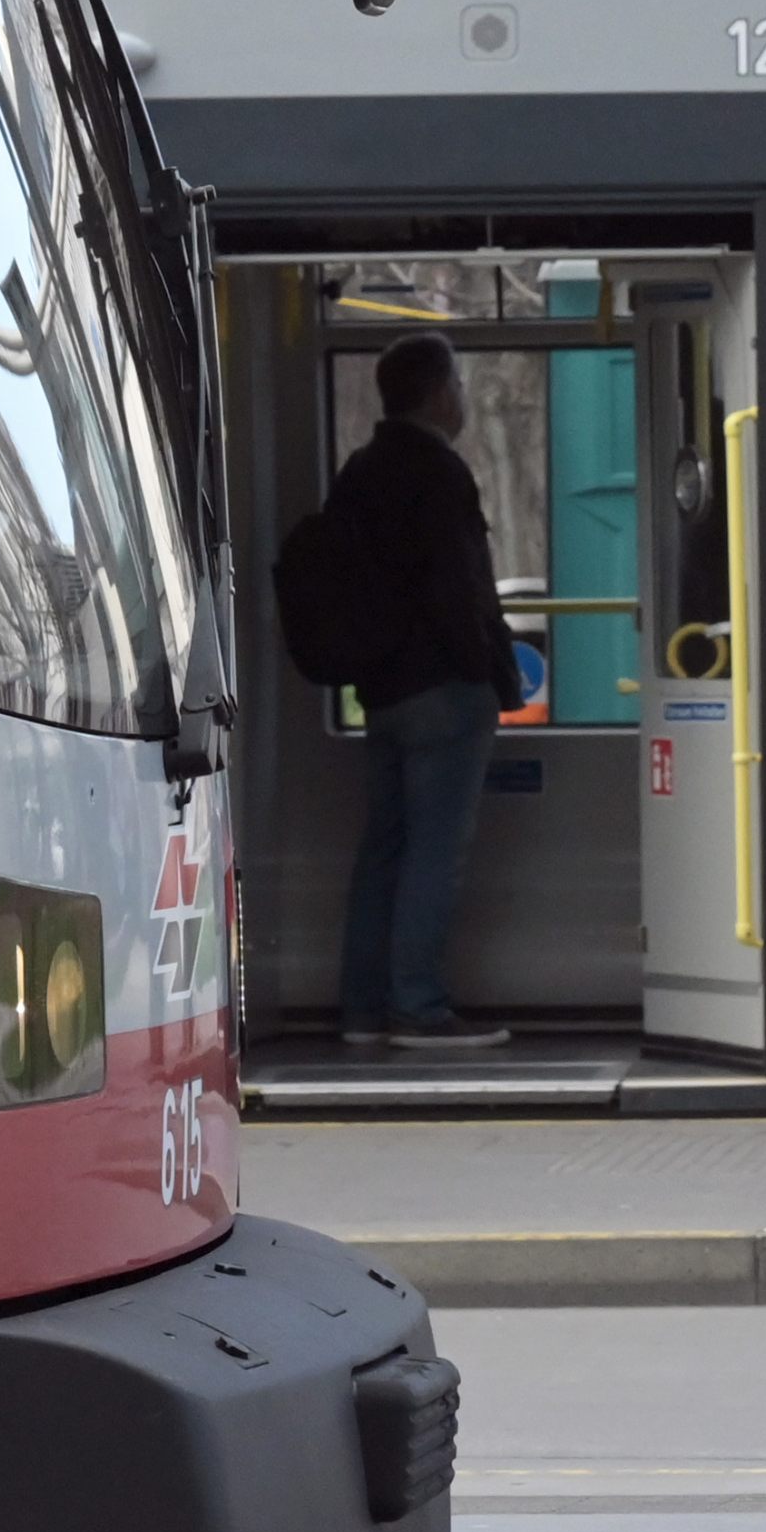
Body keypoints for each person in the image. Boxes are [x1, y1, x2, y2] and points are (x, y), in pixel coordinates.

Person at [325, 331, 517, 1050]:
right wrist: (490, 672)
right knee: (437, 850)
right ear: (440, 393)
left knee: (384, 846)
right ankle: (420, 1006)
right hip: (444, 687)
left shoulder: (362, 469)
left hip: (383, 691)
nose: (462, 399)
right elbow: (464, 588)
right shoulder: (439, 472)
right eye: (459, 386)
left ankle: (362, 1010)